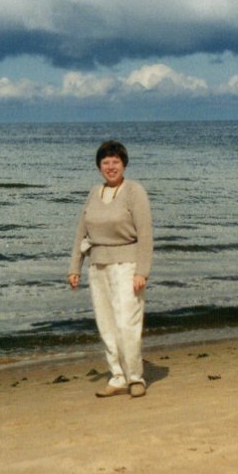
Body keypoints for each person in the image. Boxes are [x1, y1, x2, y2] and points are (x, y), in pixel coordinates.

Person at [68, 140, 153, 398]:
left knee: (127, 323)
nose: (111, 167)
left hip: (127, 265)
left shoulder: (134, 191)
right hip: (98, 265)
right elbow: (81, 231)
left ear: (124, 164)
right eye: (105, 162)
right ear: (99, 166)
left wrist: (142, 271)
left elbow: (145, 234)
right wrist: (75, 267)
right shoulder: (94, 192)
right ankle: (117, 377)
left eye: (115, 161)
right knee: (106, 324)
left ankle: (135, 378)